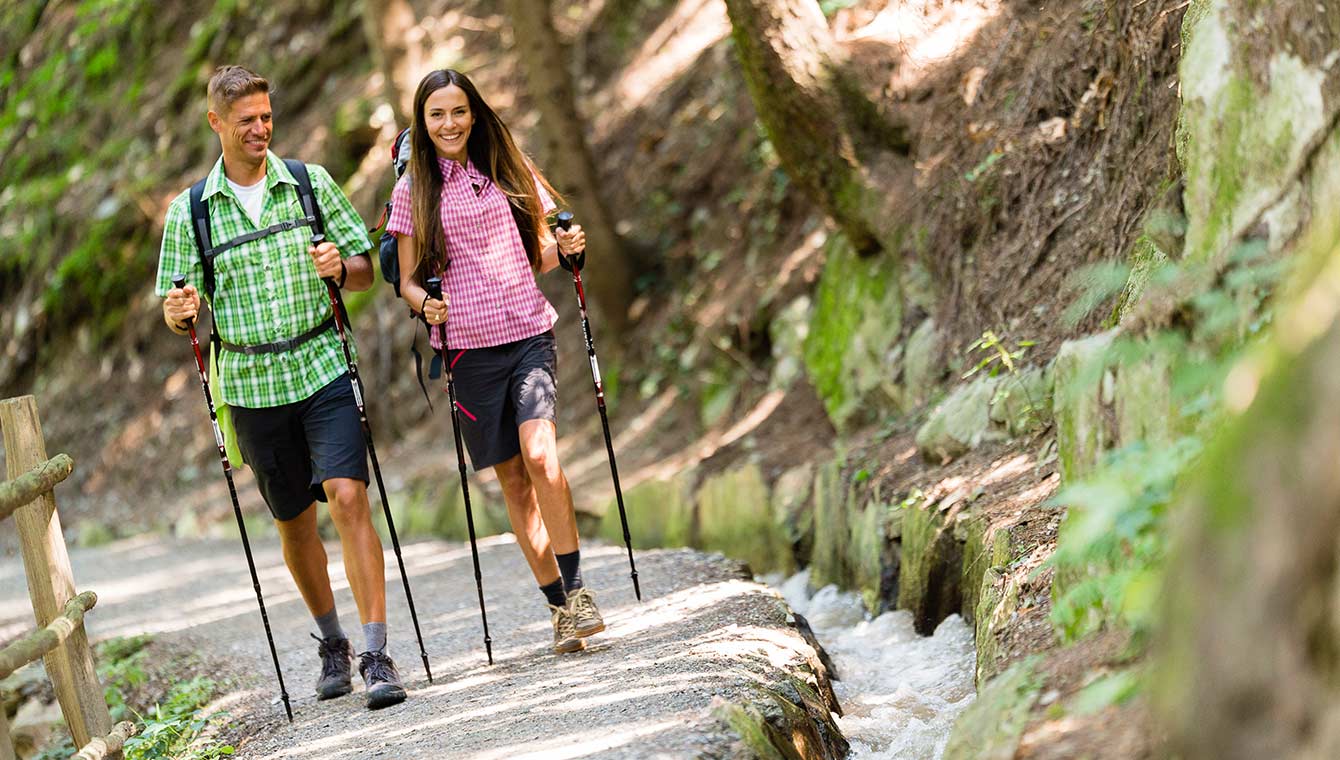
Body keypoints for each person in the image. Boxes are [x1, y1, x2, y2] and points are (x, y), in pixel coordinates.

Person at [157, 65, 407, 709]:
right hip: (251, 386)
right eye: (246, 121)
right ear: (216, 123)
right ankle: (333, 643)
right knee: (294, 522)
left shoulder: (308, 183)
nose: (260, 129)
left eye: (266, 117)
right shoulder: (191, 213)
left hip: (322, 366)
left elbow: (363, 271)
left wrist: (341, 266)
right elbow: (175, 303)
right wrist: (180, 309)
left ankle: (378, 653)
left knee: (349, 496)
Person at [387, 68, 604, 654]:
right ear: (423, 123)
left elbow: (539, 251)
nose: (449, 123)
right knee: (513, 479)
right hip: (465, 352)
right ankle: (557, 606)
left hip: (528, 334)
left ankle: (579, 591)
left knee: (541, 454)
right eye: (437, 115)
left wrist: (565, 249)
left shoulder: (508, 166)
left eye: (458, 111)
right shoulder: (413, 188)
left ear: (474, 113)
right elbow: (406, 280)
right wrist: (424, 302)